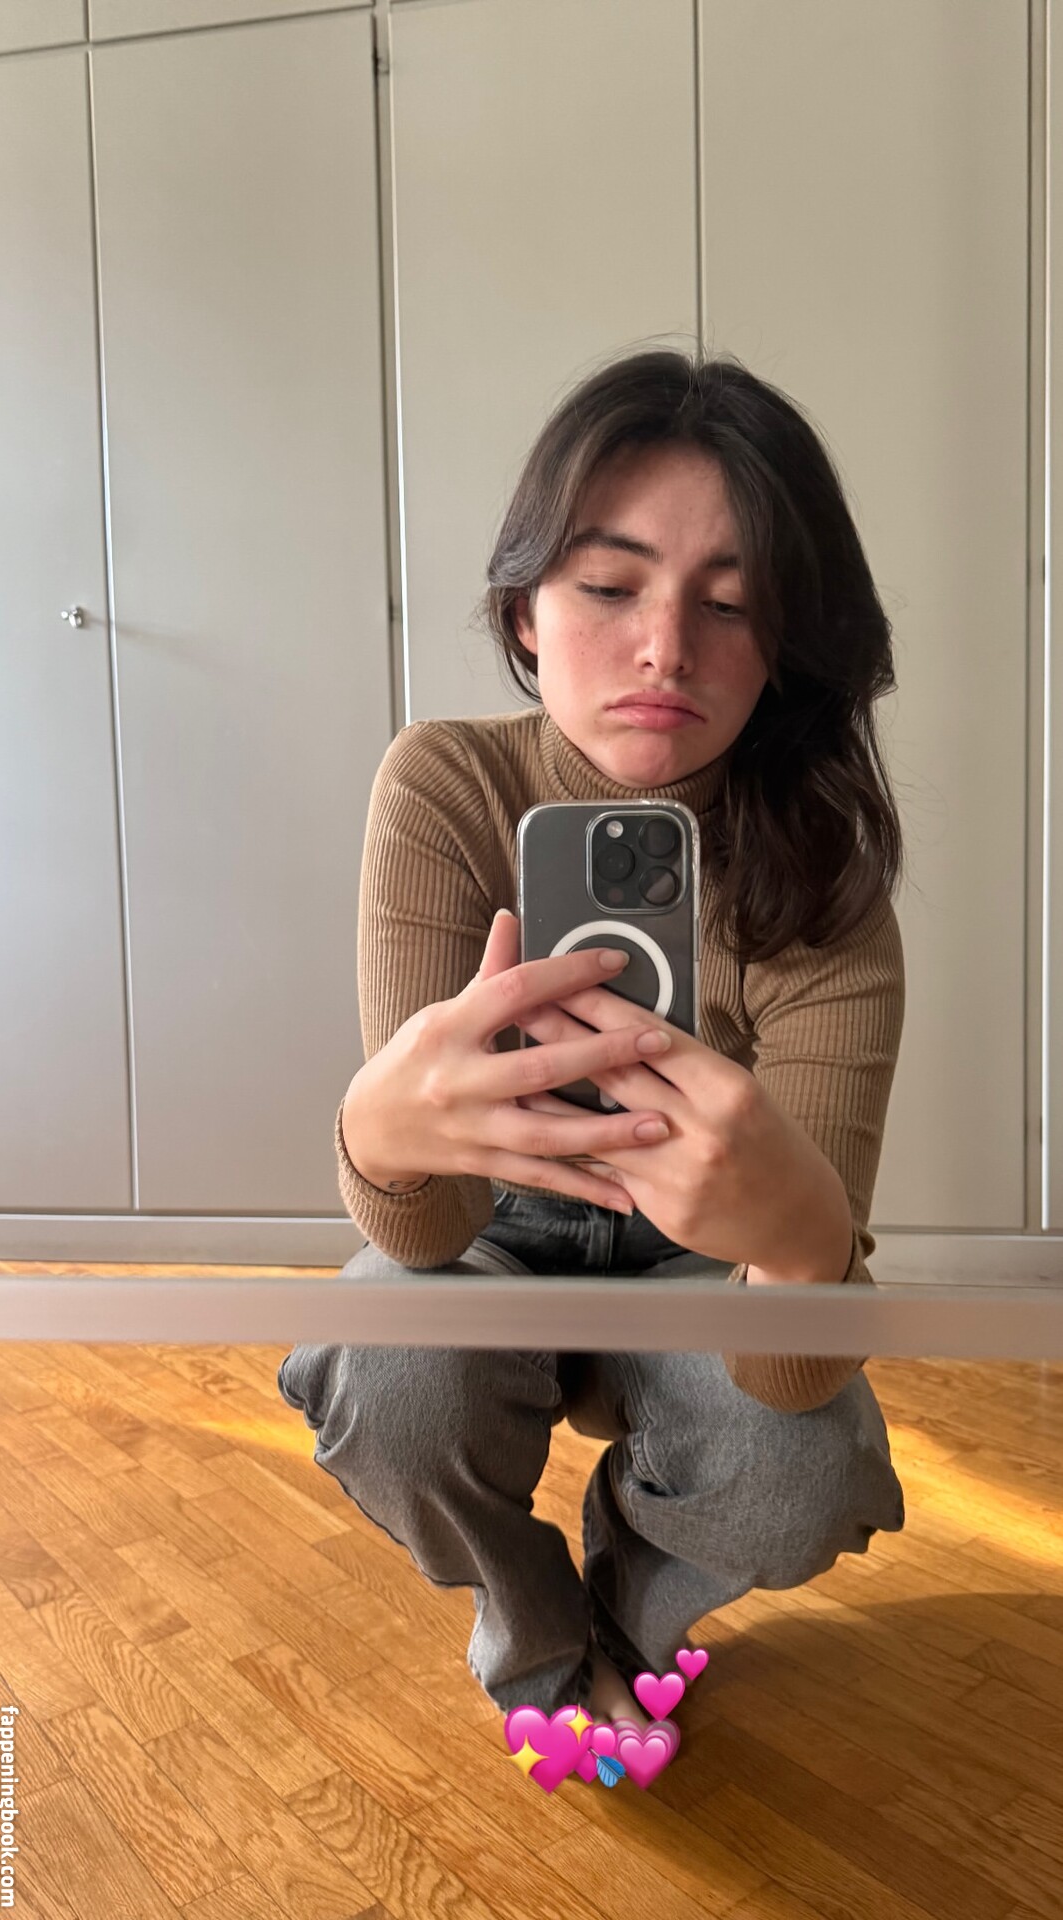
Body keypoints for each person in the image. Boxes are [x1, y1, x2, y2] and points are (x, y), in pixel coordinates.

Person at [279, 348, 907, 1729]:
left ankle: (631, 1610)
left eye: (730, 604)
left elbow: (793, 1367)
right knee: (387, 1368)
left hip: (707, 1258)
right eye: (611, 587)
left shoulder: (828, 873)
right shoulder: (448, 785)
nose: (666, 649)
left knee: (799, 1467)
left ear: (788, 643)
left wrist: (805, 1240)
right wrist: (377, 1139)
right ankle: (537, 1633)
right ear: (525, 609)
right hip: (495, 1232)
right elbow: (429, 1231)